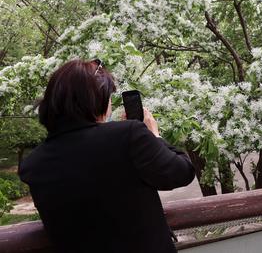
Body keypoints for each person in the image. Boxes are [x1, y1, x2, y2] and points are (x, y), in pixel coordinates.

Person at [19, 59, 196, 253]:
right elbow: (182, 172)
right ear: (95, 100)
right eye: (109, 97)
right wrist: (154, 135)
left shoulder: (33, 165)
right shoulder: (128, 135)